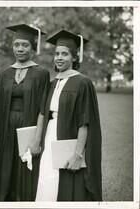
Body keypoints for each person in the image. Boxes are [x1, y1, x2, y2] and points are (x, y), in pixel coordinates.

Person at [35, 30, 102, 201]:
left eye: (64, 54)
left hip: (70, 138)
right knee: (47, 178)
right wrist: (37, 141)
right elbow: (43, 113)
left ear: (74, 57)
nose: (59, 58)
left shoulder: (82, 82)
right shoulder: (53, 82)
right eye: (57, 54)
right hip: (50, 137)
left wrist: (77, 154)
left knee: (66, 182)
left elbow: (84, 122)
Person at [0, 24, 50, 201]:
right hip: (6, 128)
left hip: (29, 127)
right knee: (5, 168)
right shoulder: (4, 73)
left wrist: (37, 138)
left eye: (25, 45)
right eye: (17, 44)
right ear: (12, 46)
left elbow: (43, 108)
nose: (20, 49)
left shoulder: (41, 73)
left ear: (32, 48)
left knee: (25, 168)